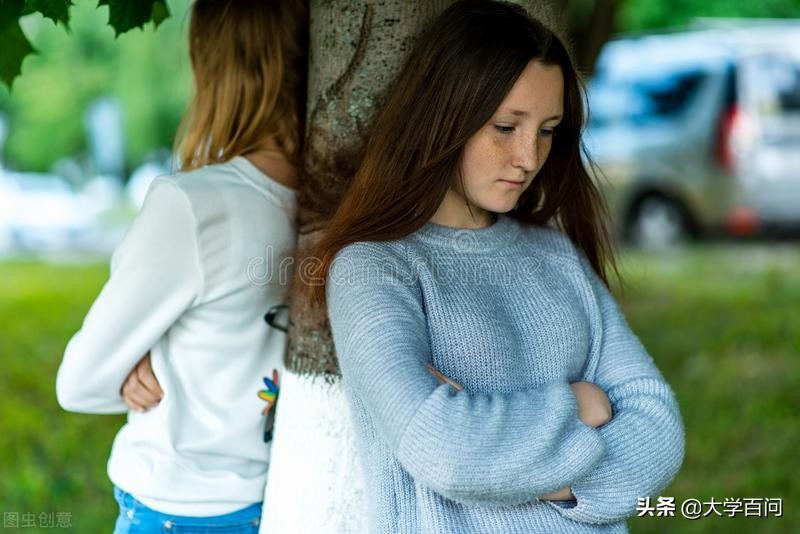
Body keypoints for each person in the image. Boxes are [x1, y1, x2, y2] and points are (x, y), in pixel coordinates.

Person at [306, 0, 685, 532]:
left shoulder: (555, 254)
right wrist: (581, 404)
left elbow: (658, 422)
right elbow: (445, 449)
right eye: (506, 126)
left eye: (548, 129)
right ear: (443, 116)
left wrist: (550, 477)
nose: (529, 156)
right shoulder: (375, 270)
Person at [55, 1, 306, 532]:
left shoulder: (194, 206)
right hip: (285, 499)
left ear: (214, 67)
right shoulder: (334, 201)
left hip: (177, 507)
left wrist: (126, 364)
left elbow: (77, 382)